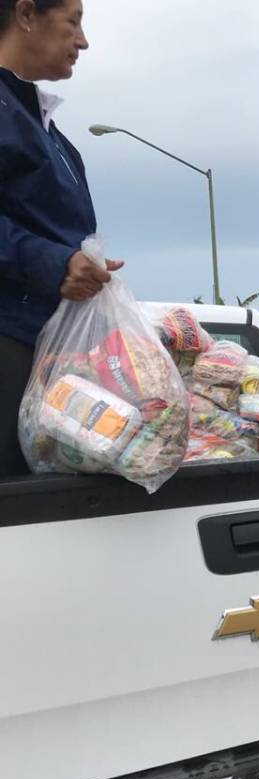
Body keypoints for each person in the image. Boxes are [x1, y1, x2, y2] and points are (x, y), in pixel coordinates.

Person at [0, 0, 121, 479]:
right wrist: (55, 263)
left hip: (47, 350)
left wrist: (84, 263)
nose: (83, 41)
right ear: (26, 13)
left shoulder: (44, 127)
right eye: (74, 21)